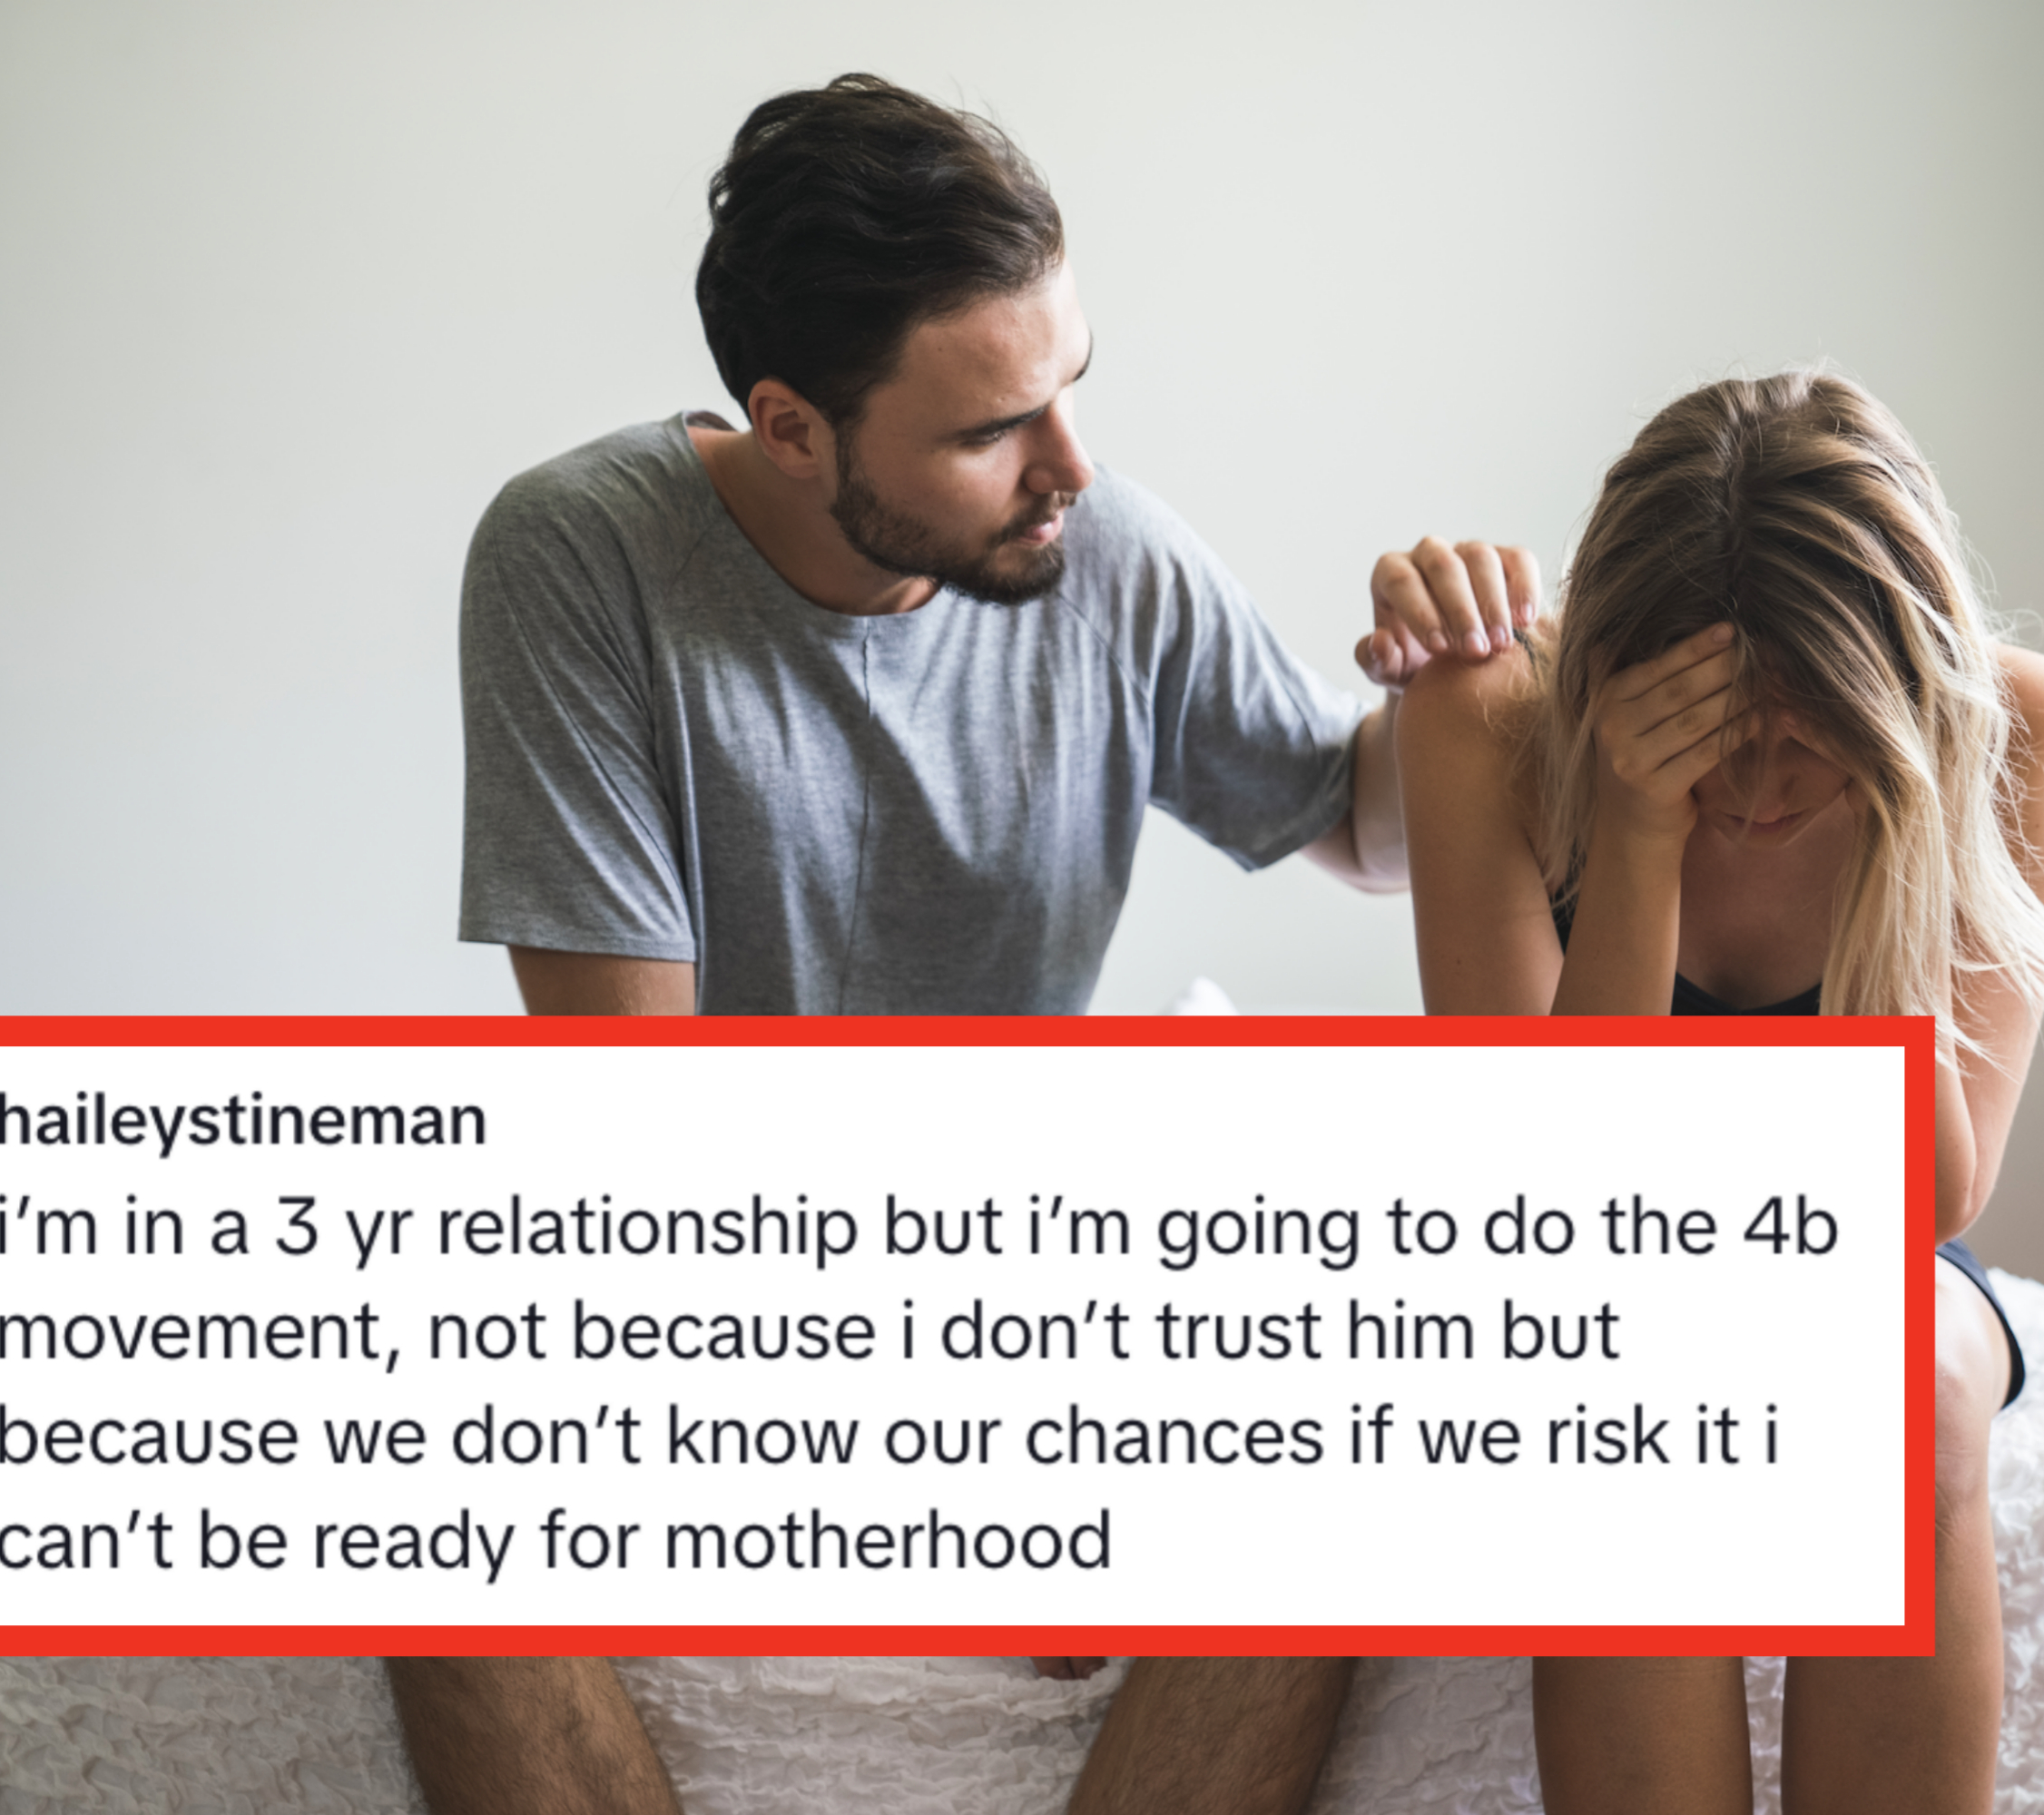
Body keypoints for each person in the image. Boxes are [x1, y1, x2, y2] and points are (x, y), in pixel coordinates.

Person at [394, 73, 1532, 1815]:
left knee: (1344, 1426)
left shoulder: (1104, 549)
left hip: (1033, 1237)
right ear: (790, 427)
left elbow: (1360, 827)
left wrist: (1454, 680)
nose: (1070, 468)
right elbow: (637, 1136)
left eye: (1073, 387)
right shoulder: (582, 557)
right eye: (992, 429)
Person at [1386, 368, 2044, 1813]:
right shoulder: (1490, 718)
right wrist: (1640, 834)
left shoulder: (2027, 727)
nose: (1762, 790)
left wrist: (1909, 827)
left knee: (1908, 1389)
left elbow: (1928, 1199)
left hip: (1878, 1226)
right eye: (1717, 739)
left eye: (1813, 736)